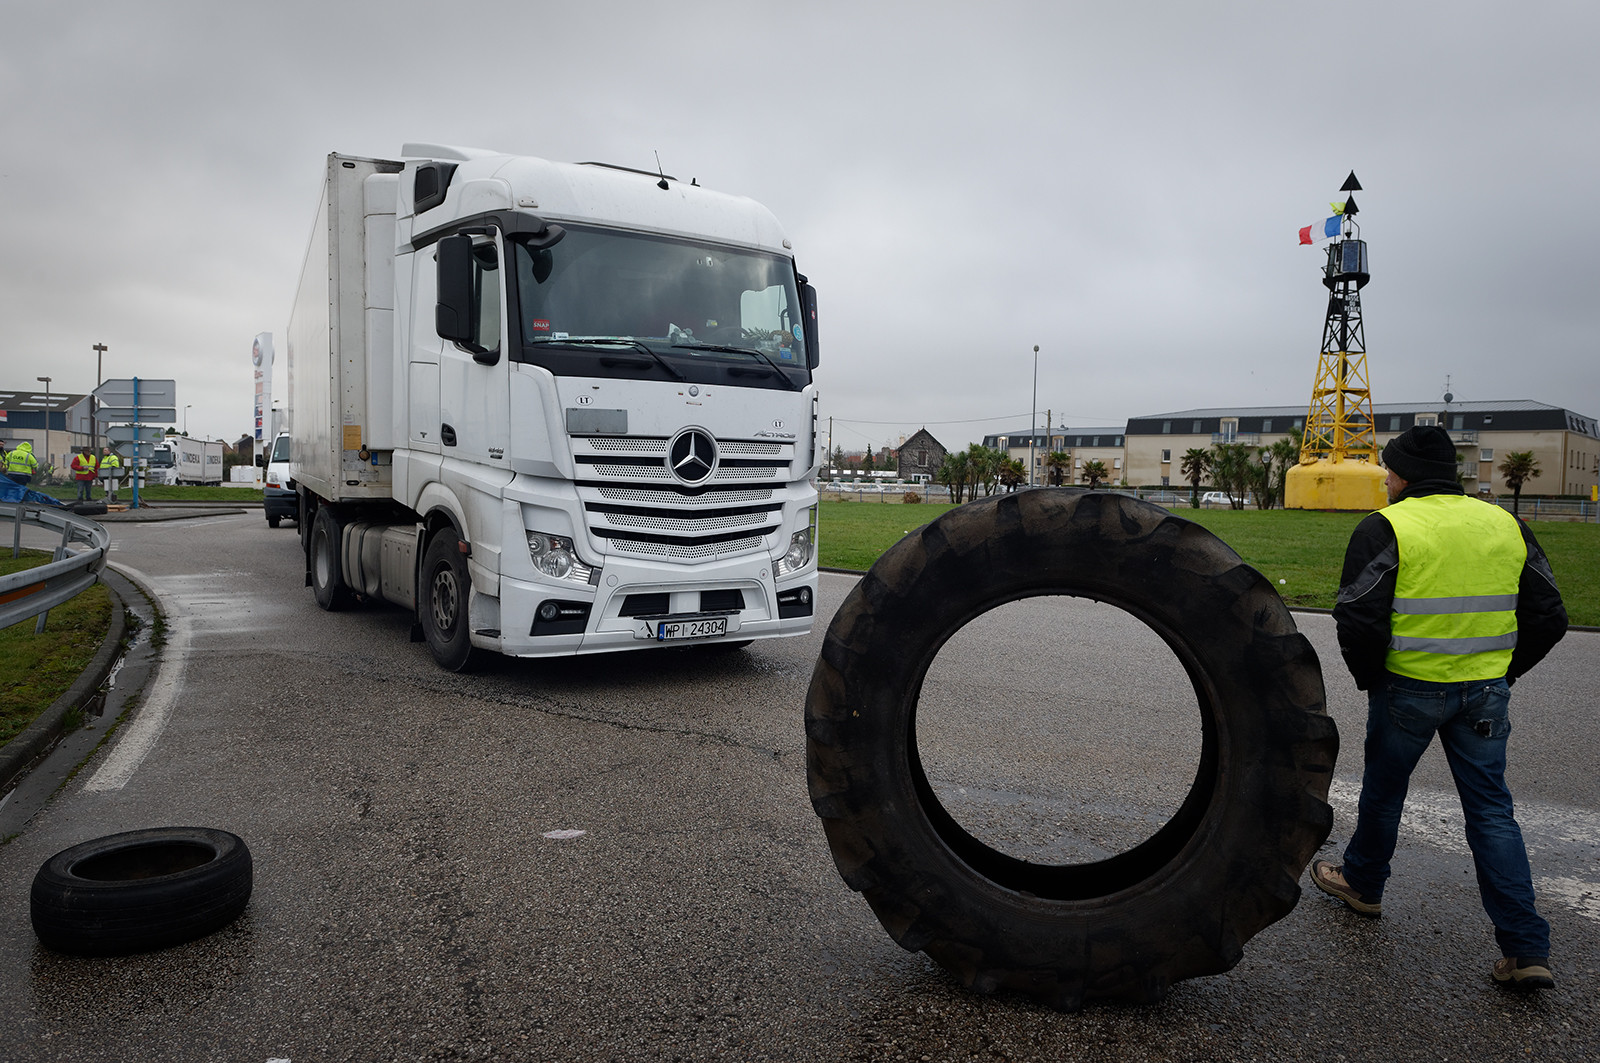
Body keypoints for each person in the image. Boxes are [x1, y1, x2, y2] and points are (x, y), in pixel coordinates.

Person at [1312, 425, 1568, 991]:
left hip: (1408, 688)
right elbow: (1550, 615)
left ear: (1402, 475)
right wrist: (1504, 671)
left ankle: (1363, 884)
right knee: (1492, 812)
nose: (1385, 479)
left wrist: (1373, 679)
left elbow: (1357, 614)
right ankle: (1526, 947)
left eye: (1389, 470)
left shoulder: (1387, 526)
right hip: (1485, 691)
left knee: (1384, 793)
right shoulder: (1506, 523)